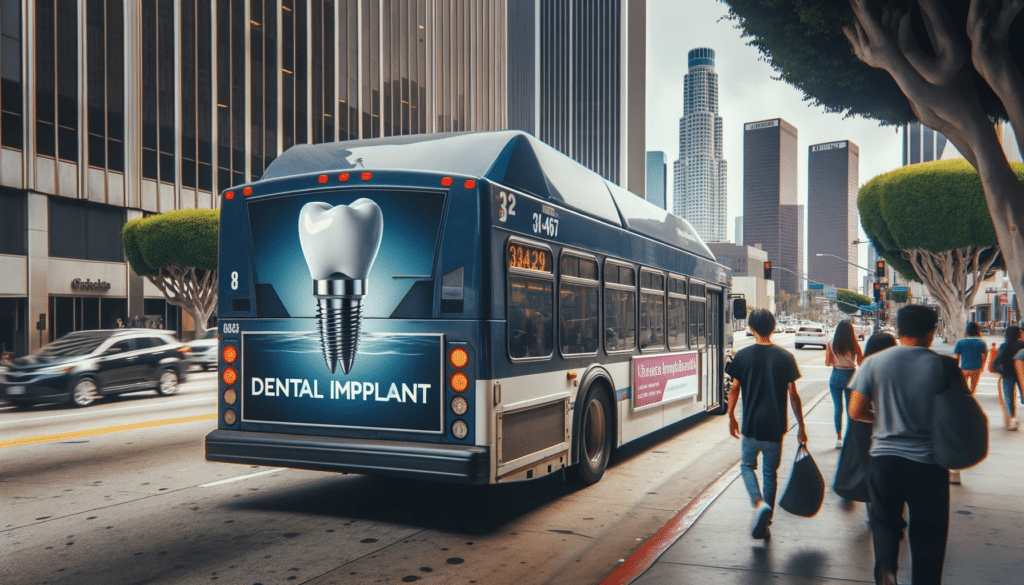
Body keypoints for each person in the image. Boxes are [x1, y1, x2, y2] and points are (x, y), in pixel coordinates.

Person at [848, 305, 951, 585]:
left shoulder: (874, 362)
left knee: (885, 522)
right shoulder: (943, 365)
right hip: (929, 463)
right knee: (929, 533)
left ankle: (886, 571)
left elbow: (855, 411)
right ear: (932, 333)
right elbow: (959, 414)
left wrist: (881, 417)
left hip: (884, 460)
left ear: (899, 329)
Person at [726, 309, 806, 541]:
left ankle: (758, 503)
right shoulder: (785, 357)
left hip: (751, 425)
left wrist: (731, 416)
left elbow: (734, 389)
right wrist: (801, 425)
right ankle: (766, 522)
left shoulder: (742, 356)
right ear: (773, 328)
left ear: (751, 329)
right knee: (770, 474)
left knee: (747, 466)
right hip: (775, 427)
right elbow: (794, 395)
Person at [833, 332, 897, 509]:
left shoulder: (868, 369)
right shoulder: (897, 370)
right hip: (889, 432)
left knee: (867, 468)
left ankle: (873, 509)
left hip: (865, 428)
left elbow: (855, 411)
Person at [826, 320, 864, 449]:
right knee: (850, 409)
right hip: (851, 377)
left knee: (838, 408)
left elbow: (827, 362)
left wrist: (838, 360)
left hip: (836, 376)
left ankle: (839, 438)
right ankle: (850, 437)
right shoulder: (854, 344)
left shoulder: (831, 344)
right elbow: (861, 362)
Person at [993, 325, 1024, 430]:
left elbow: (996, 362)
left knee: (1008, 399)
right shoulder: (1022, 345)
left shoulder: (1004, 346)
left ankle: (1012, 421)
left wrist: (1001, 371)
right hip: (1021, 374)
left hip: (1007, 374)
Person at [952, 322, 988, 395]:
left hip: (964, 369)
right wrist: (982, 367)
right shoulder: (981, 342)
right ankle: (971, 400)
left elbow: (957, 358)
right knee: (973, 390)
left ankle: (964, 403)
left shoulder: (960, 342)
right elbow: (985, 355)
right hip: (976, 369)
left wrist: (956, 369)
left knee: (963, 390)